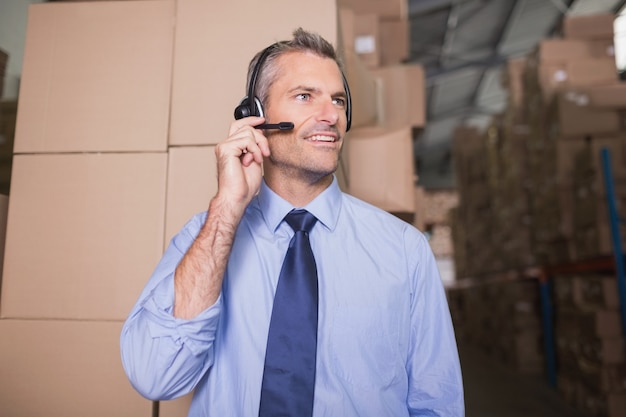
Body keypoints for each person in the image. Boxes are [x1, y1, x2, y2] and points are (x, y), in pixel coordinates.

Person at [120, 27, 464, 416]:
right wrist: (227, 209)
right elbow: (155, 376)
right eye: (305, 96)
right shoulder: (205, 237)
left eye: (337, 100)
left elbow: (437, 403)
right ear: (255, 116)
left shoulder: (405, 250)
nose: (330, 115)